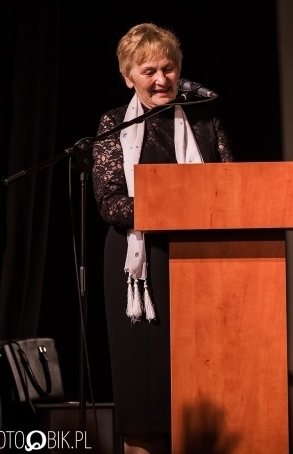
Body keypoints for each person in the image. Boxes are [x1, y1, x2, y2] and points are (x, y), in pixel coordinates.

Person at [92, 23, 233, 454]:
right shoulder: (114, 124)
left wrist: (191, 206)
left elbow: (233, 188)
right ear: (127, 76)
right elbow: (110, 202)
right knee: (145, 396)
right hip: (139, 268)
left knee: (198, 390)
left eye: (168, 68)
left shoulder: (204, 119)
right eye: (148, 70)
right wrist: (173, 206)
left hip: (199, 263)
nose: (161, 79)